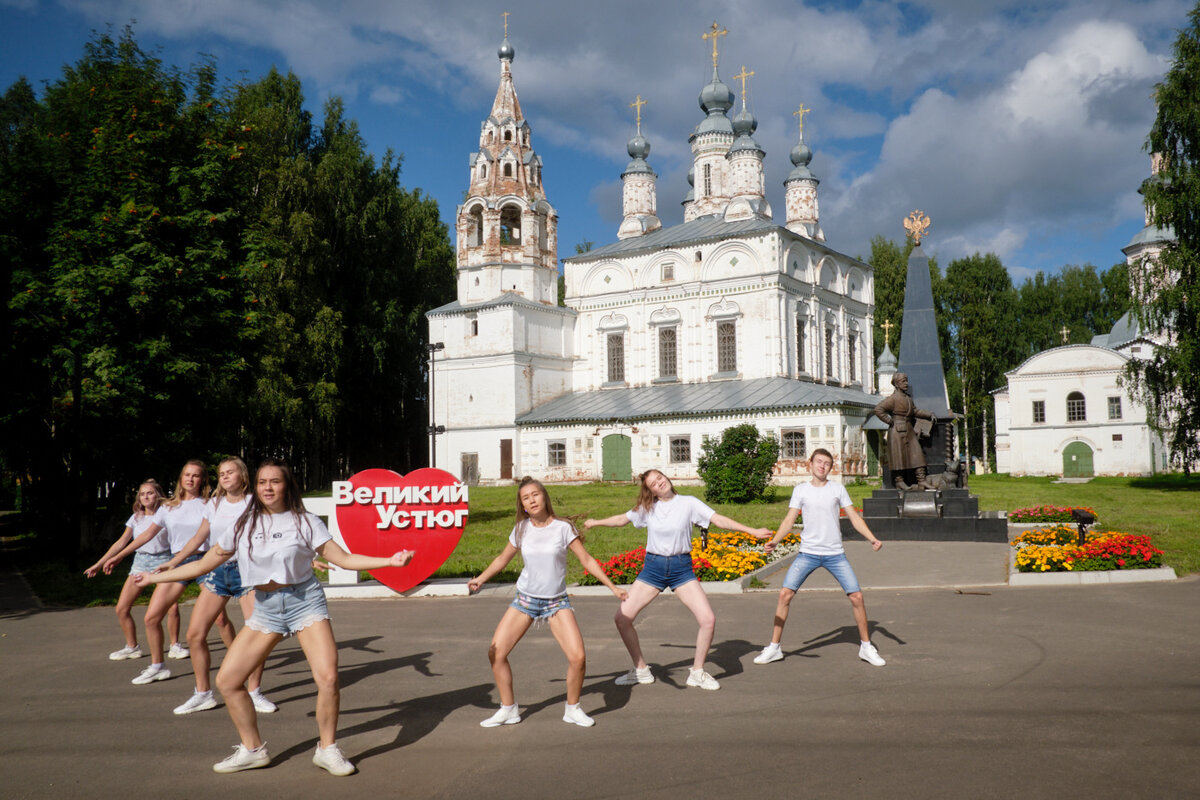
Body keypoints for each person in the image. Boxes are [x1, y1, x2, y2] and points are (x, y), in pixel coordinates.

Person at [135, 458, 413, 776]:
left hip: (304, 603)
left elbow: (344, 558)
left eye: (275, 481)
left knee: (329, 677)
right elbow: (201, 565)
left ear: (287, 486)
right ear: (256, 486)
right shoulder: (243, 525)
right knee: (227, 681)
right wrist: (154, 577)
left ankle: (327, 749)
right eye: (263, 482)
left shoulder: (305, 521)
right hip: (266, 608)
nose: (268, 487)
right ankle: (253, 750)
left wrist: (390, 562)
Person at [584, 469, 772, 691]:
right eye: (654, 483)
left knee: (708, 619)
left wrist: (752, 531)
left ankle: (697, 672)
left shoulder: (688, 503)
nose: (659, 483)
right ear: (651, 491)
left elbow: (718, 519)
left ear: (667, 478)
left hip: (681, 569)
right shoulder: (648, 508)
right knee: (622, 618)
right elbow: (621, 520)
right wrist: (595, 522)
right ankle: (641, 670)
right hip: (653, 568)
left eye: (660, 478)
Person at [469, 477, 628, 729]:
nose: (531, 500)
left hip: (556, 602)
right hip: (525, 600)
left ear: (544, 497)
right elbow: (502, 559)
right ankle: (508, 709)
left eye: (535, 494)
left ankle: (572, 708)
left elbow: (587, 561)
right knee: (496, 653)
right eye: (525, 497)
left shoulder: (563, 528)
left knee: (578, 658)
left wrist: (612, 587)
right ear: (522, 505)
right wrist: (480, 579)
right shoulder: (521, 529)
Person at [752, 448, 887, 667]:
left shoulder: (838, 489)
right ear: (810, 464)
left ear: (830, 467)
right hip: (808, 554)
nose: (822, 466)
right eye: (819, 462)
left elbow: (854, 517)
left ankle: (866, 647)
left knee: (857, 597)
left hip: (835, 555)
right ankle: (774, 647)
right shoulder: (801, 490)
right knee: (784, 595)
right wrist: (775, 540)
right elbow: (789, 520)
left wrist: (872, 538)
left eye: (827, 463)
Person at [162, 457, 276, 715]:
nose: (224, 477)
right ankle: (203, 694)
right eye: (221, 473)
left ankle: (254, 690)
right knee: (194, 635)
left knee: (256, 634)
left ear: (242, 476)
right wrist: (174, 562)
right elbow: (199, 537)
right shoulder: (214, 504)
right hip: (217, 570)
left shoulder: (253, 502)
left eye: (230, 472)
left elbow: (274, 531)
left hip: (248, 572)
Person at [106, 459, 210, 685]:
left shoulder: (209, 504)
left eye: (196, 475)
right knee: (152, 617)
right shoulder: (169, 507)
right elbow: (145, 536)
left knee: (220, 618)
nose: (191, 479)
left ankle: (240, 663)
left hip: (205, 559)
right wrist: (119, 556)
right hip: (177, 561)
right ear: (181, 478)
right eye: (187, 475)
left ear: (202, 480)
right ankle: (158, 666)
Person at [84, 479, 174, 660]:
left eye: (150, 493)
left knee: (171, 608)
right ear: (138, 498)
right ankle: (132, 647)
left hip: (163, 560)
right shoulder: (136, 517)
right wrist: (100, 563)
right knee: (122, 608)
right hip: (140, 562)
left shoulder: (166, 514)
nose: (146, 496)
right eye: (142, 494)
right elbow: (121, 542)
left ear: (158, 495)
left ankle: (175, 645)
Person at [874, 372, 937, 490]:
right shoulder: (892, 399)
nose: (906, 383)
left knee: (917, 454)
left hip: (909, 430)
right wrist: (889, 421)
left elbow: (915, 411)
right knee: (898, 457)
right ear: (897, 384)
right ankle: (899, 481)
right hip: (897, 431)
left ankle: (921, 481)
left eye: (906, 380)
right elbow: (878, 409)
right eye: (903, 381)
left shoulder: (908, 398)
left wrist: (929, 414)